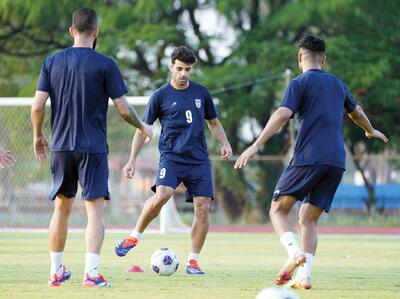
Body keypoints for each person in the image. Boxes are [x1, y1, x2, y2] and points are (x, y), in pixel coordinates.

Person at [234, 36, 388, 289]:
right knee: (307, 218)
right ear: (323, 59)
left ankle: (295, 254)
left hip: (309, 158)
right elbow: (356, 112)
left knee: (277, 210)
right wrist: (370, 130)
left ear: (299, 58)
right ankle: (305, 276)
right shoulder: (337, 84)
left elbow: (283, 113)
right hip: (336, 162)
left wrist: (254, 146)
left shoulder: (299, 83)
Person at [31, 7, 152, 288]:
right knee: (94, 211)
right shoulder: (105, 64)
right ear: (96, 33)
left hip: (61, 146)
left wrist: (38, 136)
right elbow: (123, 109)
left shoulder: (52, 62)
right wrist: (142, 127)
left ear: (72, 30)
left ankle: (56, 272)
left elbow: (37, 106)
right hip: (93, 147)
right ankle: (92, 274)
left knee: (60, 208)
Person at [115, 46, 232, 275]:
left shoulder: (201, 93)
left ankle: (193, 262)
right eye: (179, 68)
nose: (183, 74)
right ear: (171, 67)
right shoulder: (160, 96)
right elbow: (142, 130)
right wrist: (131, 160)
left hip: (199, 159)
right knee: (163, 194)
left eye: (188, 69)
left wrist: (225, 143)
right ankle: (134, 236)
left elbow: (214, 123)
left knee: (203, 208)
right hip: (171, 157)